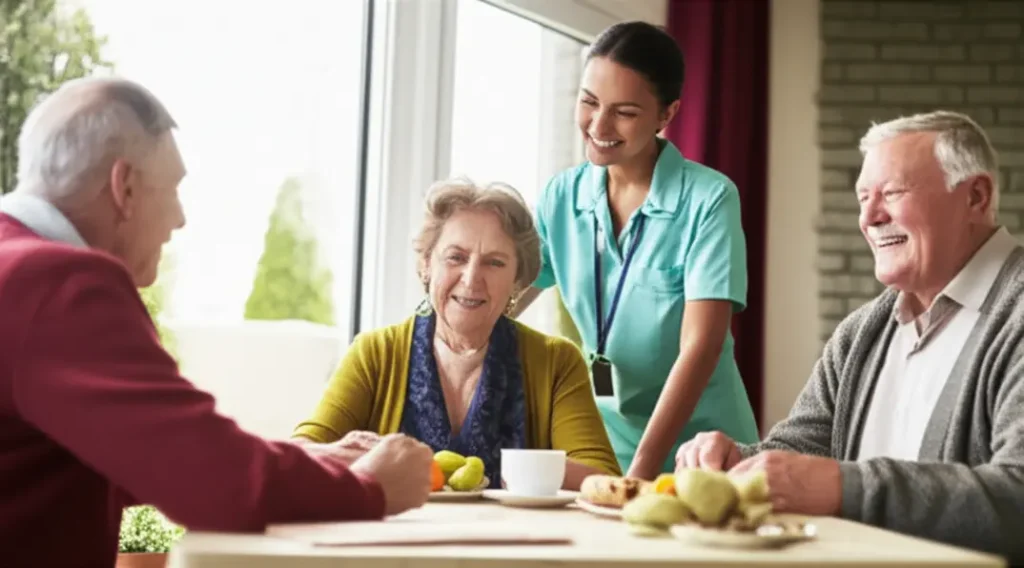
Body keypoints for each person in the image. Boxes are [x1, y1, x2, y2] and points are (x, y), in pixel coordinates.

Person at [0, 77, 433, 568]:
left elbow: (149, 470)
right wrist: (371, 488)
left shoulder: (19, 272)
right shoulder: (59, 284)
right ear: (125, 187)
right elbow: (208, 482)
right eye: (175, 189)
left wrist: (309, 462)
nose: (180, 219)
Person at [676, 111, 1024, 563]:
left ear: (976, 196)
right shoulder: (861, 332)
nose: (871, 217)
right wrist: (736, 463)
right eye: (863, 198)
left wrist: (845, 487)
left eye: (893, 193)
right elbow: (803, 449)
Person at [512, 21, 759, 479]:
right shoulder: (561, 197)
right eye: (588, 102)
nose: (598, 126)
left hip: (704, 450)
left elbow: (701, 346)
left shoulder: (709, 199)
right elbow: (505, 297)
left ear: (667, 115)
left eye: (624, 112)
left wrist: (643, 469)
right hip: (605, 445)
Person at [292, 178, 622, 490]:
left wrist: (523, 469)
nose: (471, 278)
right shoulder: (374, 353)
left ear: (518, 281)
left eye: (495, 263)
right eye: (456, 257)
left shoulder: (556, 361)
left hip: (512, 546)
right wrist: (367, 459)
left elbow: (601, 477)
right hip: (394, 547)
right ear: (426, 264)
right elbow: (300, 453)